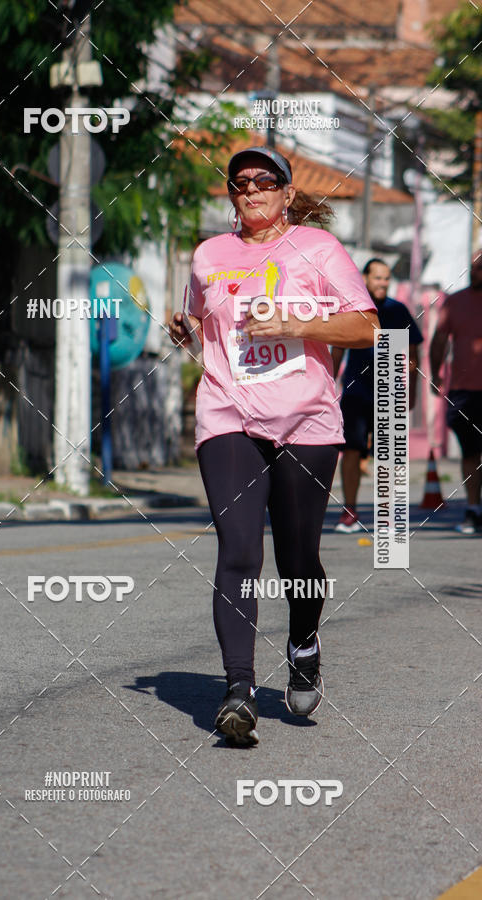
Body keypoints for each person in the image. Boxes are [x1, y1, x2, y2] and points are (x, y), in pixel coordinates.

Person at [168, 146, 379, 746]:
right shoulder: (210, 255)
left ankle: (304, 641)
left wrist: (296, 324)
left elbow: (367, 327)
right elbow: (200, 332)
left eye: (265, 181)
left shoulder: (319, 250)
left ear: (288, 193)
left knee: (297, 559)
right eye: (240, 183)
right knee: (238, 551)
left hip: (307, 420)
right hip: (227, 413)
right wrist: (184, 330)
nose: (251, 190)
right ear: (231, 194)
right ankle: (237, 691)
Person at [331, 259, 423, 533]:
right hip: (355, 392)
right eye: (377, 278)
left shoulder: (397, 311)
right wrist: (327, 391)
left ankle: (390, 515)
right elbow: (337, 350)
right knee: (351, 451)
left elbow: (413, 358)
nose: (382, 283)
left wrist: (411, 394)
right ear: (365, 278)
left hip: (389, 391)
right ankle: (349, 511)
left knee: (389, 454)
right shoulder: (353, 307)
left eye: (386, 279)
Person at [430, 251, 482, 534]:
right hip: (463, 391)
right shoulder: (456, 301)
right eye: (473, 269)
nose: (476, 274)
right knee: (471, 452)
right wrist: (435, 373)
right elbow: (439, 339)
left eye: (481, 269)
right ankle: (473, 508)